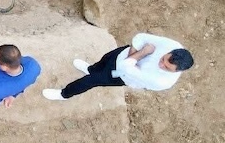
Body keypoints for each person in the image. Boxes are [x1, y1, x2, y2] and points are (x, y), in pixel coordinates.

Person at [42, 33, 195, 101]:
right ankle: (90, 68)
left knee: (89, 81)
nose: (161, 64)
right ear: (171, 52)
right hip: (121, 54)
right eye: (163, 59)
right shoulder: (173, 45)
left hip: (119, 75)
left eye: (166, 67)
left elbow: (125, 68)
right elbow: (141, 37)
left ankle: (64, 94)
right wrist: (133, 54)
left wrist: (142, 53)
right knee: (102, 61)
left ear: (177, 71)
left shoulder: (162, 82)